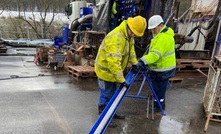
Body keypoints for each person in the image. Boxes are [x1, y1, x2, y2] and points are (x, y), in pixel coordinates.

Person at [94, 15, 147, 126]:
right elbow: (114, 62)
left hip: (112, 72)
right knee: (105, 94)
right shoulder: (116, 37)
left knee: (113, 93)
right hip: (105, 72)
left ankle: (112, 113)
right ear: (129, 26)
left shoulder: (128, 35)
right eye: (132, 32)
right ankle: (103, 118)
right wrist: (121, 80)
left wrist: (135, 63)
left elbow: (131, 50)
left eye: (135, 34)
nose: (133, 35)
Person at [132, 15, 176, 112]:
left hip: (163, 70)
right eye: (151, 30)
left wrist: (142, 61)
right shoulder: (160, 35)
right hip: (161, 68)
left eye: (154, 29)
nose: (153, 32)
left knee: (159, 91)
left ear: (161, 25)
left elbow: (155, 55)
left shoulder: (163, 38)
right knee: (157, 89)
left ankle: (158, 107)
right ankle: (158, 104)